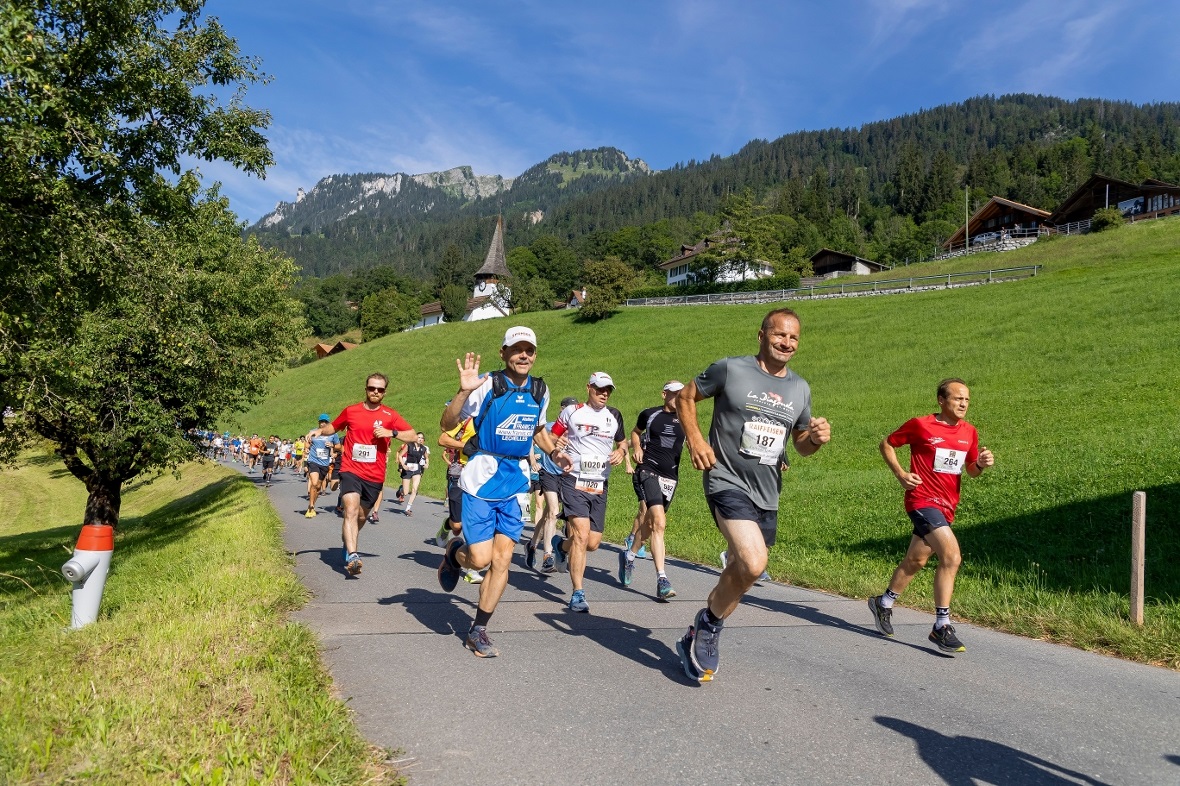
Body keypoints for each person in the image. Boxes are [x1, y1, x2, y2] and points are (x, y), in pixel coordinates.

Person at [676, 307, 831, 682]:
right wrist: (696, 439)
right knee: (754, 561)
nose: (787, 343)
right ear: (761, 335)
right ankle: (711, 627)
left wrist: (816, 439)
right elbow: (685, 397)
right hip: (727, 479)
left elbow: (800, 444)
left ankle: (701, 626)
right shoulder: (730, 369)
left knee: (743, 571)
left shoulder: (800, 388)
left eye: (794, 338)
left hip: (768, 493)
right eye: (780, 335)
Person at [436, 326, 568, 657]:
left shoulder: (540, 389)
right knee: (479, 559)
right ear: (504, 353)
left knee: (503, 558)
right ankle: (455, 553)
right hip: (481, 481)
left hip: (517, 484)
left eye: (530, 350)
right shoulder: (486, 385)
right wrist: (463, 392)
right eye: (517, 349)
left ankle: (478, 629)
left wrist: (554, 452)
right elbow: (446, 423)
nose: (524, 355)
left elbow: (538, 430)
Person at [868, 379, 994, 653]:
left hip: (947, 506)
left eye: (967, 400)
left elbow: (970, 470)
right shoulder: (921, 425)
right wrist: (901, 474)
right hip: (922, 500)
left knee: (916, 560)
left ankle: (884, 603)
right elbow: (887, 444)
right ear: (941, 400)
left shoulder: (969, 432)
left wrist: (981, 464)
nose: (963, 404)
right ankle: (941, 625)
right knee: (952, 556)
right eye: (957, 398)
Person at [307, 373, 416, 576]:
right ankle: (354, 555)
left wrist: (391, 433)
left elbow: (412, 434)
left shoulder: (390, 416)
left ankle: (347, 541)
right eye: (372, 388)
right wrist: (319, 432)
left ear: (385, 392)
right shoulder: (352, 411)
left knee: (362, 516)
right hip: (351, 469)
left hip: (374, 476)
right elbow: (335, 426)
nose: (375, 392)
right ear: (365, 389)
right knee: (350, 510)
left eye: (380, 389)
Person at [550, 373, 627, 614]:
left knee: (592, 543)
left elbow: (623, 443)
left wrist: (621, 452)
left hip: (599, 484)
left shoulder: (614, 416)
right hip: (574, 479)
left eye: (608, 390)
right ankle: (578, 593)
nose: (604, 393)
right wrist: (556, 448)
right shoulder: (572, 412)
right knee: (581, 536)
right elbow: (552, 436)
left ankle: (561, 546)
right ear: (589, 388)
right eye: (599, 389)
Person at [620, 381, 687, 601]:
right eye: (674, 394)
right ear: (664, 394)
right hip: (648, 471)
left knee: (650, 526)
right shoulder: (650, 414)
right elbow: (635, 432)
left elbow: (694, 443)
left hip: (671, 477)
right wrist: (637, 447)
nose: (678, 398)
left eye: (682, 394)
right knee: (659, 522)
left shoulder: (687, 419)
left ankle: (629, 556)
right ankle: (662, 579)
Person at [525, 396, 576, 574]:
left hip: (566, 476)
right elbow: (532, 439)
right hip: (547, 473)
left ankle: (531, 545)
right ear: (561, 410)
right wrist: (532, 459)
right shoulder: (549, 427)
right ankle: (548, 555)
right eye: (566, 410)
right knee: (553, 512)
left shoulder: (577, 431)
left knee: (548, 514)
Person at [304, 414, 339, 518]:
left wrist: (332, 445)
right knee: (314, 483)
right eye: (321, 421)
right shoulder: (313, 432)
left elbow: (338, 446)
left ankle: (313, 505)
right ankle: (310, 506)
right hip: (313, 461)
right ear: (318, 422)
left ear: (328, 423)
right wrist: (306, 447)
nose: (323, 423)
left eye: (325, 422)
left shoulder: (333, 434)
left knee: (318, 487)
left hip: (324, 463)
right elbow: (307, 443)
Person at [397, 432, 430, 516]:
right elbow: (400, 455)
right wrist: (403, 465)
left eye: (422, 438)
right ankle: (401, 490)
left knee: (415, 489)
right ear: (415, 438)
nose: (420, 439)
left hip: (417, 469)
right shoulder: (409, 445)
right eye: (418, 437)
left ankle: (408, 508)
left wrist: (427, 464)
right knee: (406, 492)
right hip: (407, 468)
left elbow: (427, 458)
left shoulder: (423, 449)